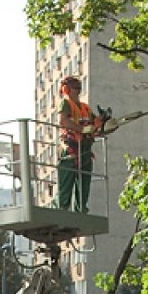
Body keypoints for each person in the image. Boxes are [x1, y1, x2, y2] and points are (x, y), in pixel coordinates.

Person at [57, 75, 104, 212]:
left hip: (85, 149)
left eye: (79, 88)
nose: (78, 91)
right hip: (71, 148)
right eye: (75, 88)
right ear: (67, 89)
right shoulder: (65, 103)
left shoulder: (85, 108)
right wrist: (82, 129)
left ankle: (81, 208)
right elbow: (64, 121)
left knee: (84, 184)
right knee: (66, 182)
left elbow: (95, 124)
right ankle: (62, 209)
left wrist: (102, 121)